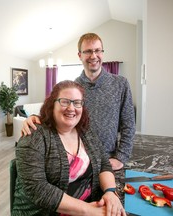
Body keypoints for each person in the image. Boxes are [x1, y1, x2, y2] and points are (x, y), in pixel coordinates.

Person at [21, 33, 136, 171]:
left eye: (97, 50)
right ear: (79, 55)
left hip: (109, 158)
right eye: (88, 51)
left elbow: (128, 123)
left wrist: (121, 157)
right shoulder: (73, 87)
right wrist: (36, 119)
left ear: (102, 53)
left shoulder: (121, 84)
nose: (93, 56)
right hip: (78, 159)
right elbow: (58, 116)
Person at [12, 80, 125, 216]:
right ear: (52, 105)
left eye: (77, 103)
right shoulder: (34, 136)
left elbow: (104, 164)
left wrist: (110, 192)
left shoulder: (86, 132)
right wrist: (89, 210)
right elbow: (38, 189)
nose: (71, 108)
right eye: (65, 101)